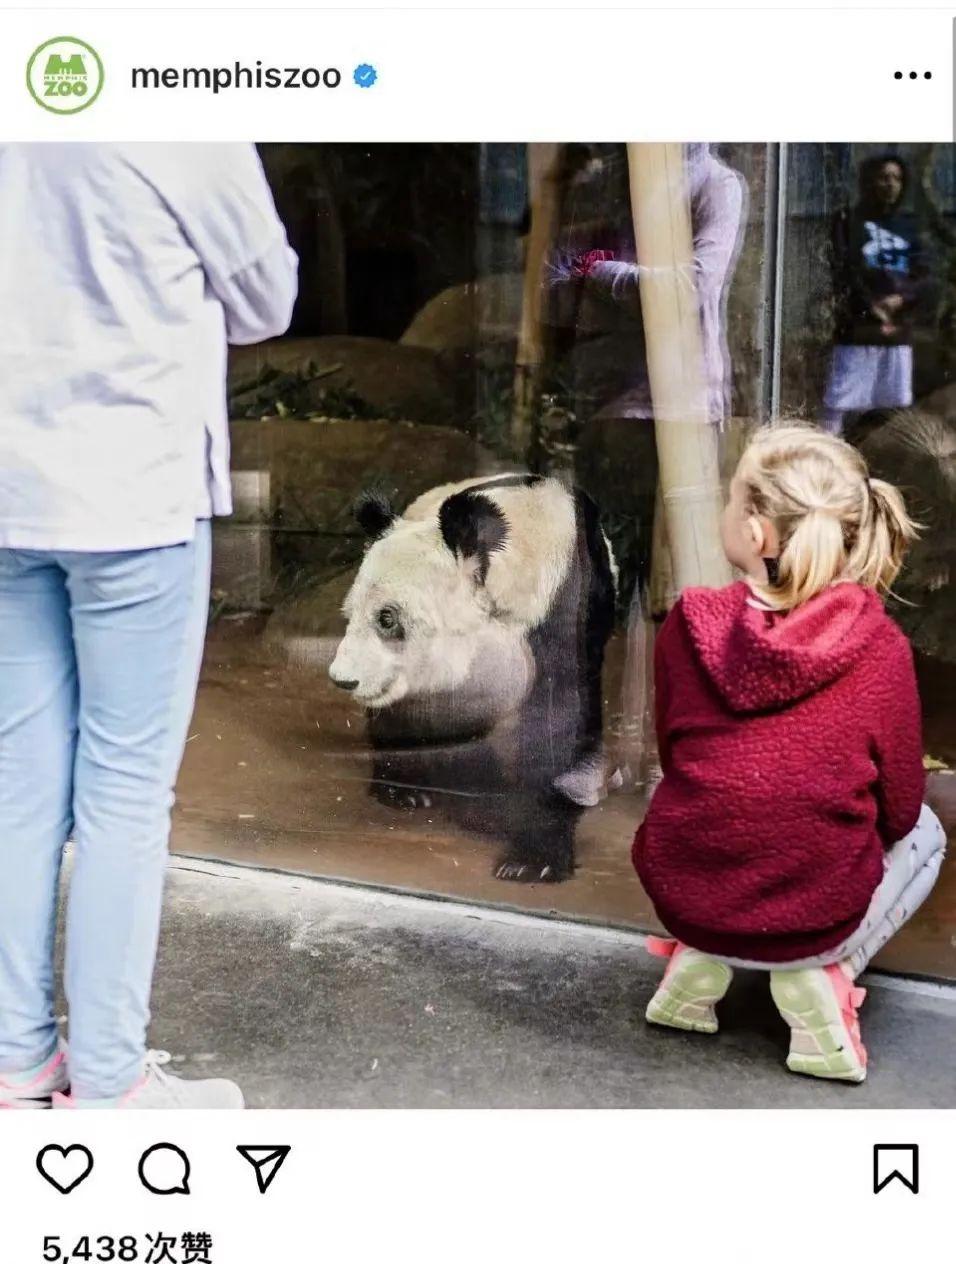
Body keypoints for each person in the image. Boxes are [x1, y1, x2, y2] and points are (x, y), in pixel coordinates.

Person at [0, 144, 298, 1109]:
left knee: (17, 788)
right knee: (124, 796)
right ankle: (110, 1085)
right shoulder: (176, 107)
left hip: (7, 491)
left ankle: (13, 1060)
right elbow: (267, 300)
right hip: (131, 495)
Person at [632, 425, 946, 1083]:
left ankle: (700, 964)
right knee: (928, 831)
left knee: (716, 808)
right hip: (814, 915)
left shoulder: (686, 625)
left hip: (686, 893)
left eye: (731, 498)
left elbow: (675, 752)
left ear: (754, 535)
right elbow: (899, 808)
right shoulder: (878, 646)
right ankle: (821, 974)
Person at [822, 154, 929, 436]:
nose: (891, 184)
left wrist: (901, 300)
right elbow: (843, 270)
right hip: (858, 330)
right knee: (839, 403)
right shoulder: (848, 220)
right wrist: (870, 305)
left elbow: (923, 275)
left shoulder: (909, 226)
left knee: (894, 408)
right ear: (869, 181)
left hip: (896, 334)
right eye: (884, 177)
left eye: (897, 178)